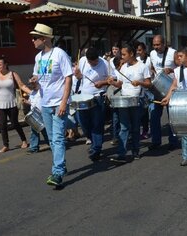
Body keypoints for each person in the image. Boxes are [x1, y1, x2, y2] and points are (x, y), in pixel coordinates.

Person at [30, 23, 73, 186]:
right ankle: (60, 165)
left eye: (35, 38)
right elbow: (38, 83)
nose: (32, 41)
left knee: (58, 138)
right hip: (45, 103)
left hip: (58, 103)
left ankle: (57, 172)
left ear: (44, 38)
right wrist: (34, 83)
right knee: (51, 138)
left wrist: (64, 102)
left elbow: (68, 78)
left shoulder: (60, 54)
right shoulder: (38, 58)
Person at [108, 44, 151, 162]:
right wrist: (112, 82)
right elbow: (120, 84)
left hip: (137, 100)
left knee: (136, 127)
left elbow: (149, 83)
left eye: (124, 54)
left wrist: (140, 83)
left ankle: (135, 151)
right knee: (124, 127)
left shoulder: (143, 67)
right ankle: (121, 153)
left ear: (131, 54)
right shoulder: (123, 67)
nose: (122, 57)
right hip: (124, 100)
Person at [0, 57, 30, 152]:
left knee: (14, 123)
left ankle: (24, 140)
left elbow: (21, 85)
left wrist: (32, 93)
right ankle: (6, 145)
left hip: (12, 103)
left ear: (5, 65)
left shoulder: (12, 74)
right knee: (2, 125)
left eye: (0, 64)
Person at [74, 47, 111, 161]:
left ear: (98, 58)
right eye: (90, 61)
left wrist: (103, 82)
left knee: (97, 124)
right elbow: (80, 77)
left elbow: (112, 79)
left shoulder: (105, 63)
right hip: (83, 97)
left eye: (94, 61)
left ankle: (96, 149)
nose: (92, 63)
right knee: (83, 122)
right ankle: (92, 140)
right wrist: (77, 75)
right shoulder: (83, 61)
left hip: (98, 96)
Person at [149, 35, 179, 151]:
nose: (156, 47)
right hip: (157, 89)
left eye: (158, 45)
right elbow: (152, 66)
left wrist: (171, 70)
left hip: (171, 88)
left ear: (164, 44)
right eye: (154, 45)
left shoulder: (173, 53)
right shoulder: (151, 53)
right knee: (154, 117)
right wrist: (152, 72)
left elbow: (181, 66)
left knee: (171, 116)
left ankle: (173, 141)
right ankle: (155, 141)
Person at [22, 80, 49, 154]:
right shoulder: (32, 93)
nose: (31, 85)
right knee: (34, 131)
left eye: (33, 83)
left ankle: (52, 144)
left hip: (42, 113)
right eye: (30, 84)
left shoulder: (41, 91)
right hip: (34, 114)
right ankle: (34, 147)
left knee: (45, 130)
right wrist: (26, 102)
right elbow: (32, 103)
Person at [136, 42, 152, 139]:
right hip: (140, 88)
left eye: (140, 50)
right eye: (137, 50)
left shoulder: (150, 60)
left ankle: (147, 129)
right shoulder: (137, 60)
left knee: (147, 110)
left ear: (145, 50)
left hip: (149, 88)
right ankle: (143, 129)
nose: (138, 52)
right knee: (142, 111)